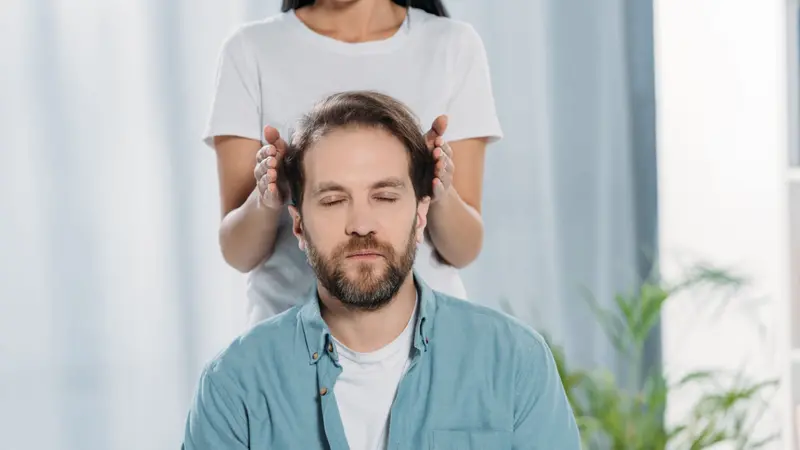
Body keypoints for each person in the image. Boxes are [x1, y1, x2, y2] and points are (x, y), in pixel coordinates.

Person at [183, 92, 580, 450]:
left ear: (421, 212)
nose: (362, 223)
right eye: (334, 199)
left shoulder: (514, 363)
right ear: (299, 226)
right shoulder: (233, 386)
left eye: (385, 196)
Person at [205, 0, 503, 324]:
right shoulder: (250, 50)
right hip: (289, 342)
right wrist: (267, 198)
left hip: (428, 341)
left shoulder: (453, 46)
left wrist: (439, 188)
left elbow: (464, 249)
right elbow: (238, 252)